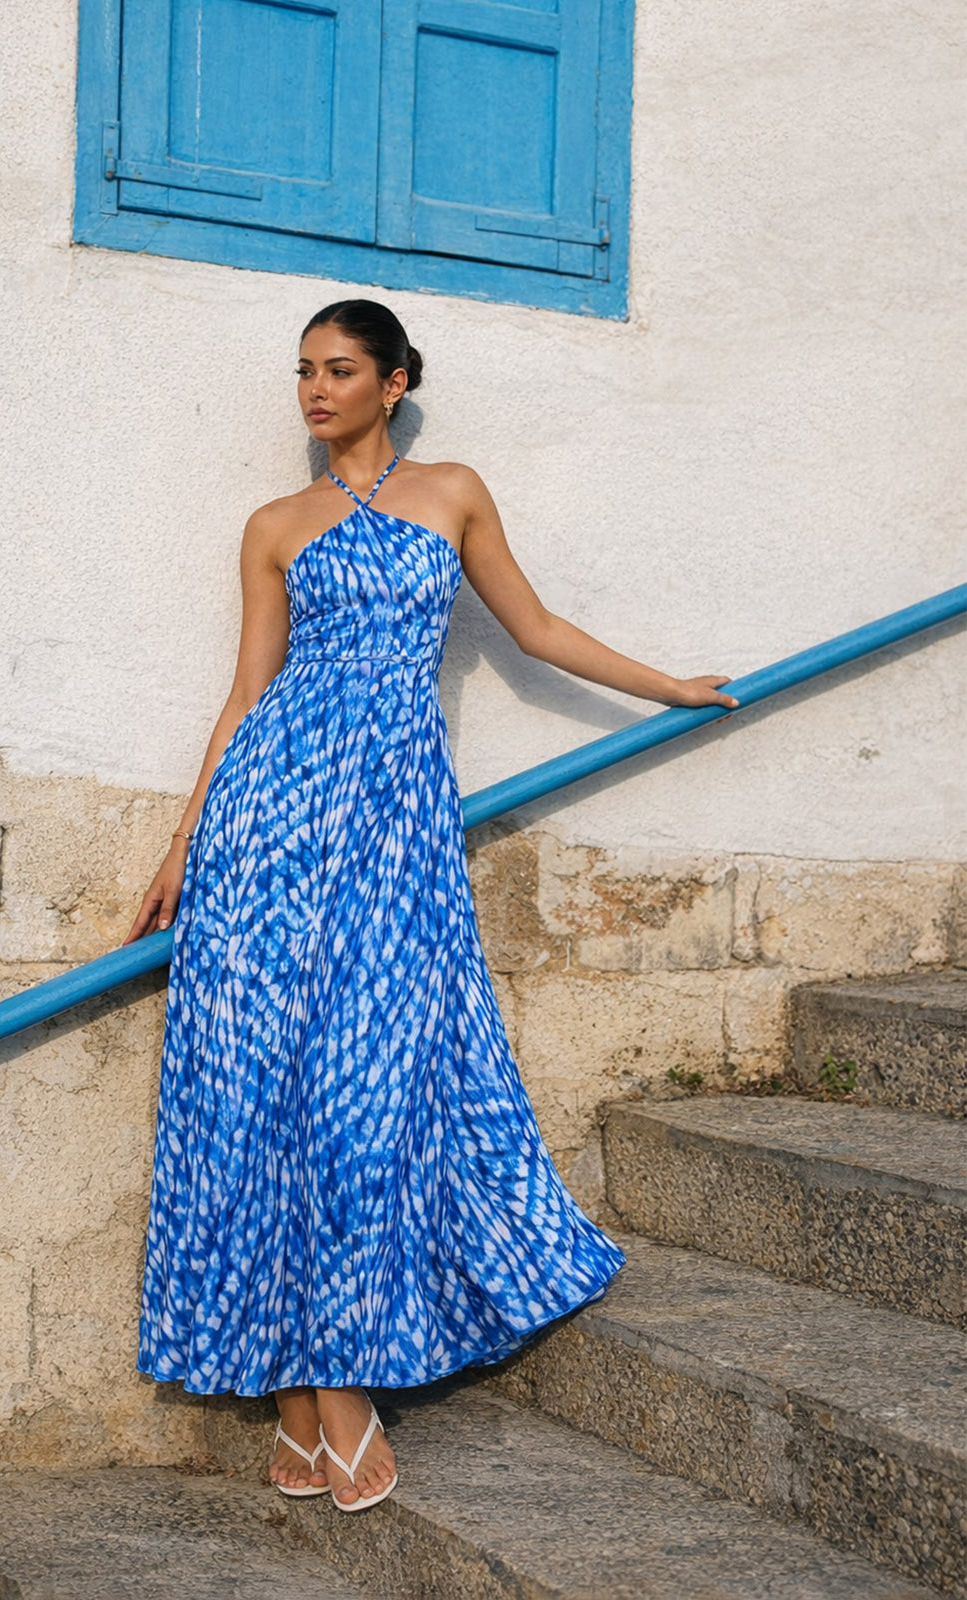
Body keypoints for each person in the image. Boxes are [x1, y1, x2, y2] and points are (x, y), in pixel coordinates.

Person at [124, 298, 738, 1512]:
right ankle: (313, 1393)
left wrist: (668, 686)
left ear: (393, 381)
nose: (314, 389)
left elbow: (538, 626)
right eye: (302, 370)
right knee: (253, 1090)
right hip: (265, 824)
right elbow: (247, 689)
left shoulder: (452, 491)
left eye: (339, 369)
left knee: (362, 1093)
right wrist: (187, 842)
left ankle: (325, 1382)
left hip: (393, 827)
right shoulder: (273, 524)